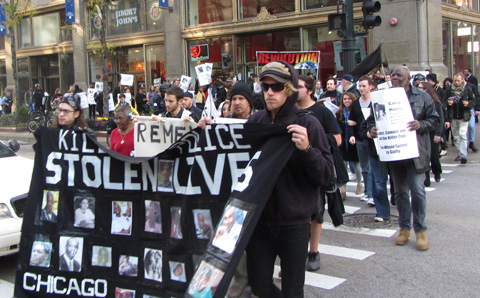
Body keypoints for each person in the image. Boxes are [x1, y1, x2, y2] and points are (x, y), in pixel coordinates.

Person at [245, 61, 333, 297]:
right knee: (259, 284)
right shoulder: (256, 122)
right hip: (259, 221)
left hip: (294, 223)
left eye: (277, 87)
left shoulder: (308, 123)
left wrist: (307, 150)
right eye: (265, 87)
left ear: (290, 89)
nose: (270, 93)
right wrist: (208, 132)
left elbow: (326, 174)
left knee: (293, 289)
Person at [368, 65, 439, 251]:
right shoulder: (383, 96)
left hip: (416, 153)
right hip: (394, 154)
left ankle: (421, 231)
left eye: (399, 75)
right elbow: (370, 121)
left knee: (417, 190)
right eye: (393, 75)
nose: (395, 77)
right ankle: (404, 228)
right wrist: (372, 130)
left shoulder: (423, 97)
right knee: (399, 193)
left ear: (408, 77)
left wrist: (420, 124)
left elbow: (435, 120)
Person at [296, 74, 342, 272]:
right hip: (294, 169)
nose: (294, 90)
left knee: (316, 213)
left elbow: (338, 138)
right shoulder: (286, 111)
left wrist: (314, 141)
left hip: (315, 167)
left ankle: (313, 251)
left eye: (298, 86)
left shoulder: (322, 112)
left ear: (310, 90)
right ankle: (294, 256)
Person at [351, 76, 374, 204]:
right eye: (360, 86)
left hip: (374, 139)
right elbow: (353, 122)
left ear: (370, 86)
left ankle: (374, 193)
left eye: (364, 86)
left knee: (374, 168)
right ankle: (367, 192)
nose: (361, 88)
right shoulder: (356, 104)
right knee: (365, 167)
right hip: (361, 138)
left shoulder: (375, 101)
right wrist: (352, 135)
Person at [336, 92, 363, 201]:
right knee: (343, 166)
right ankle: (343, 190)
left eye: (349, 99)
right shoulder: (339, 113)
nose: (346, 101)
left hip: (353, 141)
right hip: (343, 142)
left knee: (357, 166)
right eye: (344, 99)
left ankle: (359, 183)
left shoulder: (356, 111)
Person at [444, 72, 476, 164]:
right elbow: (443, 99)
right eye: (455, 80)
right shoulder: (449, 89)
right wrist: (448, 102)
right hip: (453, 116)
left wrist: (468, 104)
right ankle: (461, 152)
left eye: (458, 80)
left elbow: (473, 100)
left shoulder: (467, 89)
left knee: (462, 134)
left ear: (462, 80)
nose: (456, 82)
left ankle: (463, 155)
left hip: (464, 115)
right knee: (456, 136)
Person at [418, 81, 445, 184]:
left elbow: (440, 119)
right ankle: (426, 178)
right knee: (424, 155)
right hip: (423, 131)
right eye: (419, 88)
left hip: (433, 131)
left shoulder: (435, 103)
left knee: (433, 156)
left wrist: (439, 133)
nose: (421, 90)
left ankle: (437, 172)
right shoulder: (418, 101)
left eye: (423, 88)